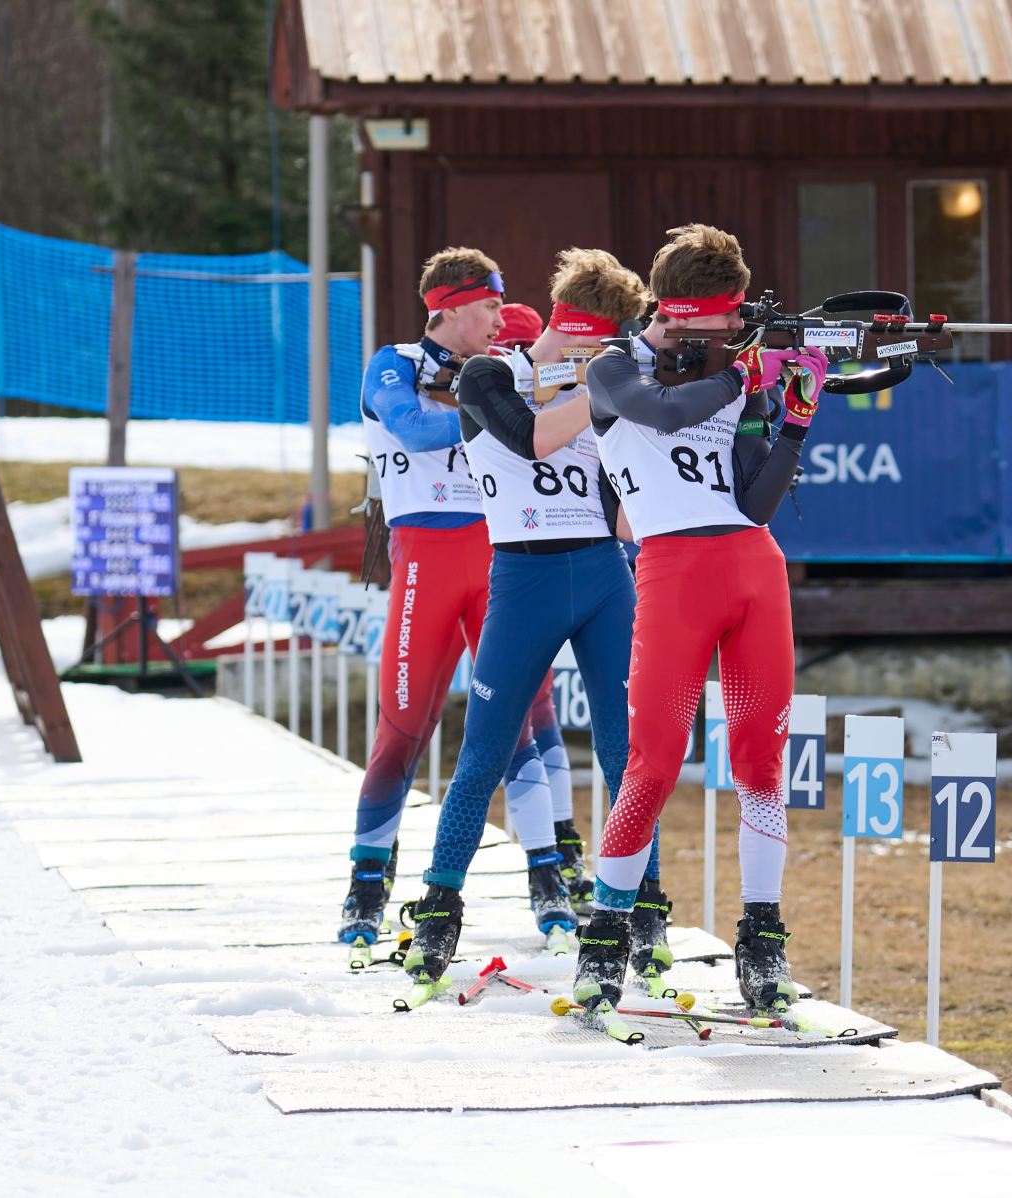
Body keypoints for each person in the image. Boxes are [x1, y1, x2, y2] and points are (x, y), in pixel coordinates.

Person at [571, 224, 828, 1019]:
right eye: (725, 317)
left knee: (760, 764)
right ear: (681, 314)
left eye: (739, 318)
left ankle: (763, 940)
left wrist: (792, 420)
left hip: (753, 569)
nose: (735, 328)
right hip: (674, 573)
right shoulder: (613, 367)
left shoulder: (729, 372)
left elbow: (756, 500)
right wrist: (745, 371)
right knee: (652, 764)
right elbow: (664, 412)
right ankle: (605, 939)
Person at [400, 248, 654, 985]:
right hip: (522, 578)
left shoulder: (601, 378)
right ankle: (439, 912)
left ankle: (643, 913)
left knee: (627, 752)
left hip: (602, 575)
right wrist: (611, 381)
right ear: (582, 329)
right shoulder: (489, 374)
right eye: (605, 340)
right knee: (482, 756)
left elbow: (625, 506)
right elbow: (533, 439)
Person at [338, 250, 573, 962]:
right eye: (491, 307)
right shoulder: (397, 361)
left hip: (498, 562)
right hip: (425, 563)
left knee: (517, 727)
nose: (501, 320)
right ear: (452, 307)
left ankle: (549, 879)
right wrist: (492, 407)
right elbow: (411, 429)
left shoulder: (505, 367)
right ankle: (367, 883)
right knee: (401, 728)